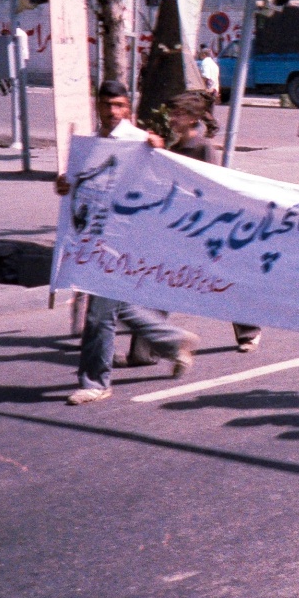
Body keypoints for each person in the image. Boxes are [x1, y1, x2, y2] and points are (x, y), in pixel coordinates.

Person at [61, 81, 198, 404]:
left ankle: (96, 382)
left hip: (124, 243)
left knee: (98, 314)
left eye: (119, 105)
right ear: (98, 105)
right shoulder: (90, 143)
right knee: (115, 306)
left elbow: (164, 180)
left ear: (128, 108)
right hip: (94, 239)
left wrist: (158, 151)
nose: (112, 112)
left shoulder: (139, 141)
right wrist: (63, 186)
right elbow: (81, 185)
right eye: (107, 105)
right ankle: (173, 341)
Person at [163, 91, 262, 353]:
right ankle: (146, 346)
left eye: (179, 114)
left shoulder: (203, 148)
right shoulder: (174, 149)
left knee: (223, 279)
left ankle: (249, 329)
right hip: (184, 226)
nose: (173, 119)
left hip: (207, 228)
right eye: (172, 114)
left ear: (193, 118)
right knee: (164, 278)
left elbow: (212, 189)